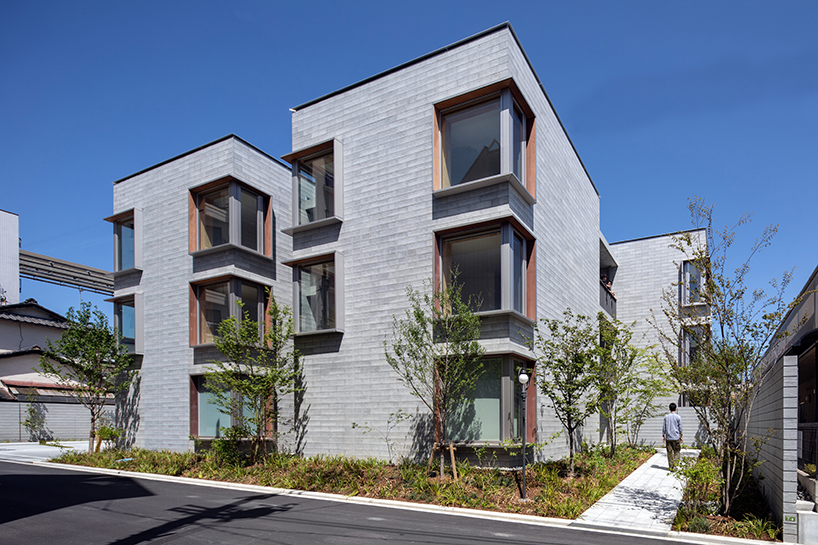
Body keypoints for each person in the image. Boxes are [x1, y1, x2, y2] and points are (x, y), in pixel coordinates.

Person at [662, 403, 683, 469]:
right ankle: (675, 465)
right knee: (677, 451)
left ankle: (671, 466)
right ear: (676, 409)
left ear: (669, 409)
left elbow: (664, 427)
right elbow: (680, 428)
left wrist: (663, 435)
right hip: (676, 437)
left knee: (669, 452)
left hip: (668, 437)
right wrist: (681, 436)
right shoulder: (678, 417)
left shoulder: (666, 417)